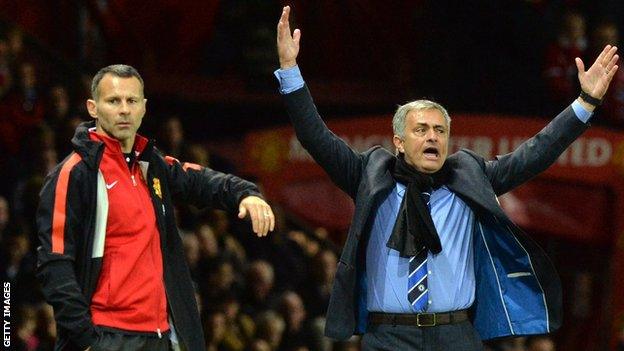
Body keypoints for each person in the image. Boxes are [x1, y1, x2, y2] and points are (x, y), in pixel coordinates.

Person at [275, 6, 619, 350]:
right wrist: (290, 71)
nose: (433, 137)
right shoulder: (368, 174)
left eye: (440, 130)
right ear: (398, 141)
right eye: (421, 130)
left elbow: (537, 151)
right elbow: (315, 137)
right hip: (389, 337)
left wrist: (586, 102)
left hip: (456, 336)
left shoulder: (469, 176)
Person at [36, 64, 275, 351]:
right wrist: (85, 340)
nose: (124, 109)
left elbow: (199, 180)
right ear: (93, 108)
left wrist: (245, 194)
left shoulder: (151, 165)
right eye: (113, 101)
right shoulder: (73, 174)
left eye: (131, 101)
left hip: (159, 336)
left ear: (143, 108)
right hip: (106, 337)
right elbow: (55, 263)